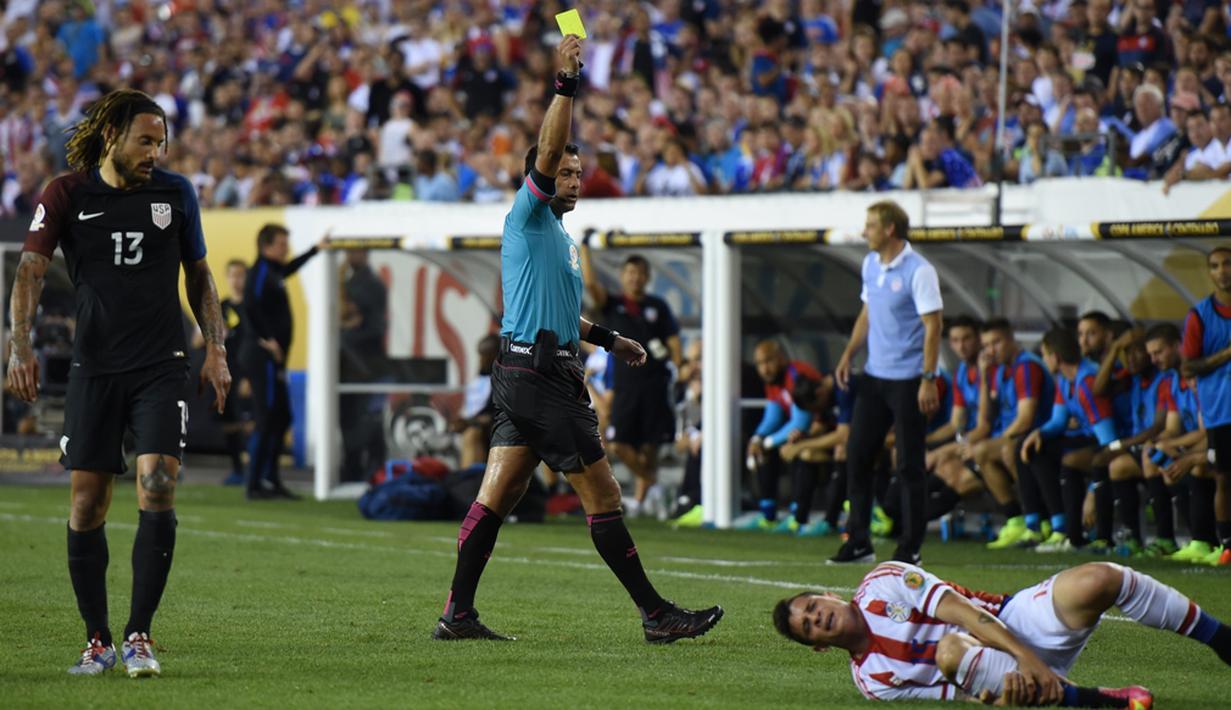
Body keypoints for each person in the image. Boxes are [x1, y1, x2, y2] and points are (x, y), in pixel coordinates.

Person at [431, 35, 722, 644]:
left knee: (496, 495)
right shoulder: (528, 214)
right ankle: (655, 614)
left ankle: (457, 614)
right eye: (564, 169)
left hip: (529, 371)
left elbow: (564, 316)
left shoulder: (561, 238)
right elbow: (548, 144)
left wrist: (612, 340)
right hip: (541, 378)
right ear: (541, 172)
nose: (573, 177)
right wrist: (565, 84)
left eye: (579, 171)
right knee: (604, 490)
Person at [6, 89, 231, 677]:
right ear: (112, 134)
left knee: (157, 485)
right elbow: (30, 270)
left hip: (161, 364)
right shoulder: (67, 193)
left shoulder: (176, 194)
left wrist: (217, 350)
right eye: (145, 140)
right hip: (95, 368)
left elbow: (200, 276)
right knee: (88, 503)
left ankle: (139, 636)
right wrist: (20, 345)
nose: (155, 152)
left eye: (161, 142)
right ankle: (97, 640)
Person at [773, 559, 1231, 704]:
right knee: (950, 653)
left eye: (814, 607)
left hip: (1015, 621)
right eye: (810, 625)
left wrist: (1029, 658)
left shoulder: (882, 582)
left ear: (828, 596)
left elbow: (968, 615)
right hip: (993, 668)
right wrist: (1005, 693)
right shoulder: (873, 680)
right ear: (817, 646)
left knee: (1101, 579)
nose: (818, 617)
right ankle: (1098, 700)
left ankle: (1222, 639)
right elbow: (964, 692)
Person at [832, 200, 943, 565]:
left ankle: (910, 547)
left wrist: (928, 378)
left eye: (871, 225)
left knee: (910, 464)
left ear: (890, 229)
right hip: (875, 376)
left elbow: (933, 327)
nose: (865, 232)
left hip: (910, 380)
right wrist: (849, 353)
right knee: (858, 456)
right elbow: (868, 312)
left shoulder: (919, 270)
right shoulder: (869, 264)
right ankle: (859, 540)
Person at [579, 245, 682, 517]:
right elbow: (590, 284)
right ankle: (655, 485)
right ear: (623, 276)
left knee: (650, 447)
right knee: (619, 444)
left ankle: (643, 500)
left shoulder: (657, 307)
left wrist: (678, 365)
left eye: (640, 273)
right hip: (625, 386)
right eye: (630, 272)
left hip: (655, 384)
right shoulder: (614, 305)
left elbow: (673, 342)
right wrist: (586, 248)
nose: (635, 278)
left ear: (647, 277)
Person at [241, 223, 328, 500]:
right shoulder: (260, 271)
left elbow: (289, 268)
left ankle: (271, 479)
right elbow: (250, 305)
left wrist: (315, 250)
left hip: (275, 360)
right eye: (281, 244)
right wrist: (268, 339)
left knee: (282, 417)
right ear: (266, 246)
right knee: (266, 418)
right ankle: (254, 484)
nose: (285, 248)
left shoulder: (275, 271)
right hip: (262, 358)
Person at [974, 318, 1056, 550]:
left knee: (1006, 449)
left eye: (996, 342)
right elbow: (986, 418)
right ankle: (1017, 519)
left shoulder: (1026, 367)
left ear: (1011, 338)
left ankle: (1041, 517)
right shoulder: (999, 371)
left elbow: (1025, 419)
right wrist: (984, 376)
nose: (991, 350)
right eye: (987, 345)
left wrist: (998, 441)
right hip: (1019, 437)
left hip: (1040, 438)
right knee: (984, 451)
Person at [1180, 245, 1231, 566]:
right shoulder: (1199, 315)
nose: (1222, 271)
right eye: (1215, 266)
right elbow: (1187, 367)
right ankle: (1227, 544)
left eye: (1227, 264)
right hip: (1221, 411)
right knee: (1225, 478)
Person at [742, 339, 822, 531]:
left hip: (824, 430)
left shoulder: (796, 375)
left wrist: (768, 442)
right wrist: (757, 438)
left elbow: (801, 422)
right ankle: (768, 516)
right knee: (763, 451)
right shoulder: (773, 382)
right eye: (760, 364)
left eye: (768, 361)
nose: (764, 369)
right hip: (803, 433)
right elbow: (773, 416)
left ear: (781, 358)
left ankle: (798, 516)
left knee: (792, 449)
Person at [338, 248, 389, 482]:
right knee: (349, 418)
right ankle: (353, 466)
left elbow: (376, 328)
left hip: (366, 364)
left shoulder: (372, 285)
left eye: (354, 252)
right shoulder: (352, 280)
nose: (350, 256)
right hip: (348, 365)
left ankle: (373, 467)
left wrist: (347, 334)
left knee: (368, 418)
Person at [220, 259, 251, 486]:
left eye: (240, 275)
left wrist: (249, 376)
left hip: (247, 372)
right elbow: (198, 340)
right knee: (230, 421)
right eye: (232, 275)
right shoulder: (221, 307)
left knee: (250, 422)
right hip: (226, 371)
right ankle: (237, 469)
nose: (236, 280)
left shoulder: (252, 306)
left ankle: (254, 468)